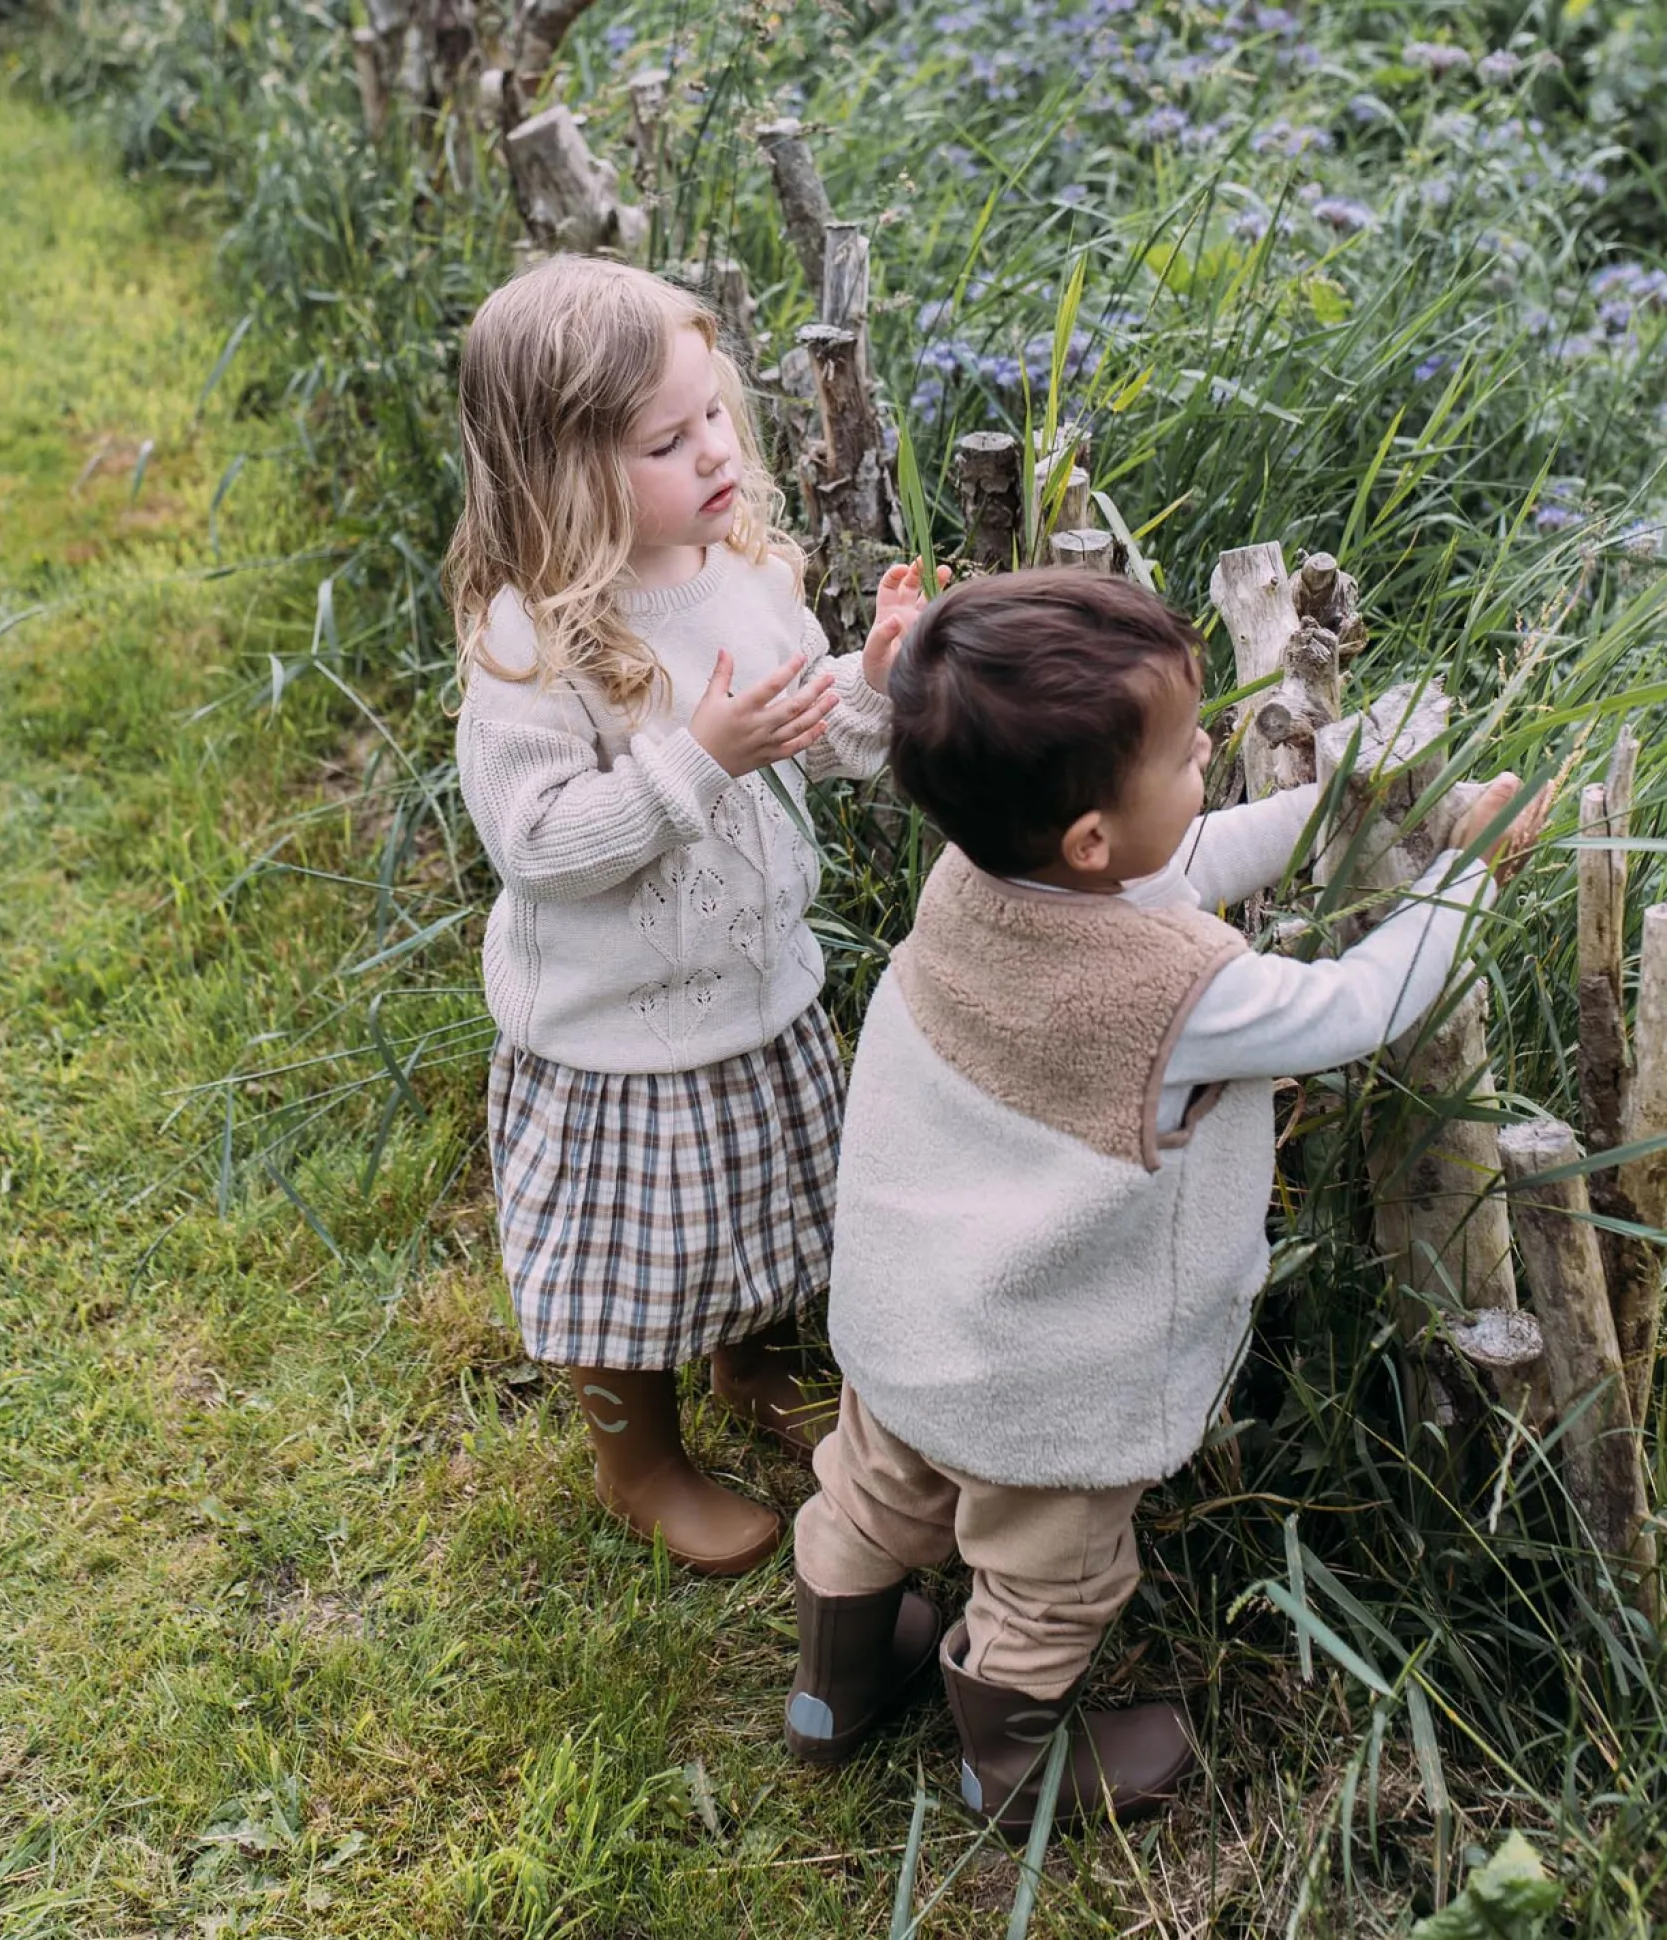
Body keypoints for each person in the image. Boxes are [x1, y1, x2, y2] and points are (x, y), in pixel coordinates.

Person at [783, 569, 1548, 1824]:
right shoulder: (1176, 995)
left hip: (907, 1316)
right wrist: (1457, 884)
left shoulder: (977, 877)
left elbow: (1181, 853)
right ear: (1090, 834)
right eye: (1185, 754)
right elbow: (1352, 1006)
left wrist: (1323, 809)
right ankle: (1008, 1763)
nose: (1207, 757)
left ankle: (833, 1688)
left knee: (873, 1487)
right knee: (1047, 1575)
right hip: (1040, 1376)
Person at [447, 255, 941, 1576]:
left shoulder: (738, 572)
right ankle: (638, 1457)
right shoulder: (530, 644)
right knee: (627, 1263)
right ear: (566, 475)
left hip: (754, 989)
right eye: (669, 440)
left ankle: (755, 1361)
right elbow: (541, 844)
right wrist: (701, 758)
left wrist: (868, 682)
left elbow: (807, 736)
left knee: (772, 1203)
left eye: (714, 413)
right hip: (614, 1035)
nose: (717, 451)